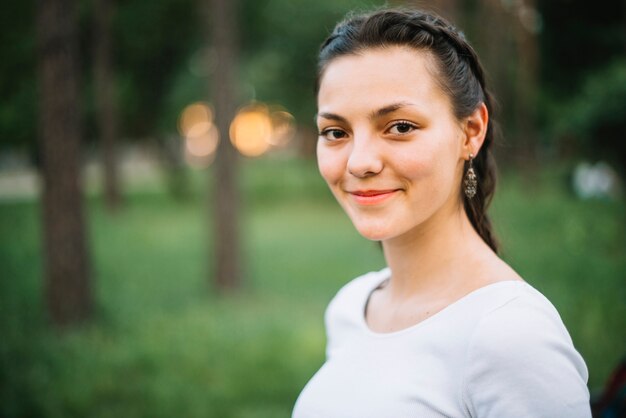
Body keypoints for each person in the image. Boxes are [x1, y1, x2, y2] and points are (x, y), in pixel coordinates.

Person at [292, 8, 591, 418]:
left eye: (399, 126)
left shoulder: (510, 335)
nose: (359, 162)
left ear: (471, 131)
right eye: (336, 132)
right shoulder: (352, 307)